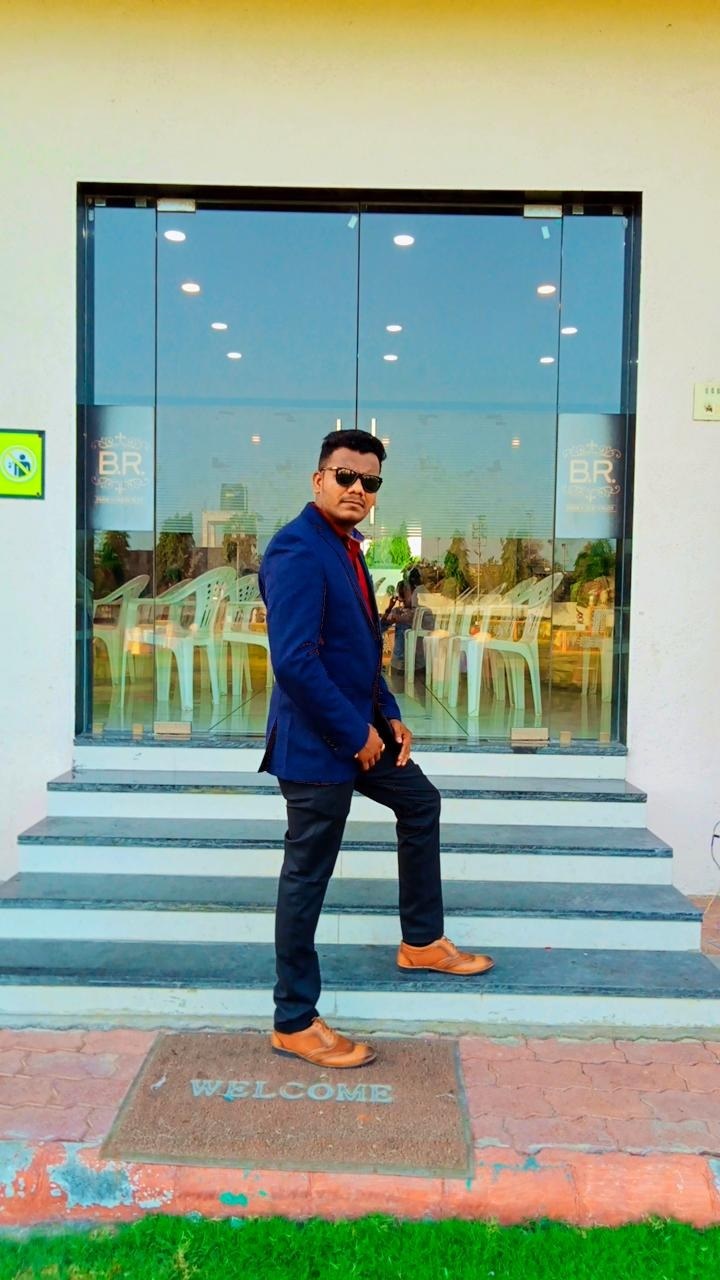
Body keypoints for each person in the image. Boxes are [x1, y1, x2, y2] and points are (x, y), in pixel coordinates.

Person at [258, 429, 494, 1070]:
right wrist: (355, 731)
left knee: (420, 803)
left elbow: (358, 650)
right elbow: (296, 662)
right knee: (307, 876)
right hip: (317, 745)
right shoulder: (297, 548)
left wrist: (387, 716)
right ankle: (293, 1019)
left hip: (359, 735)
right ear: (318, 480)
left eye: (370, 481)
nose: (358, 489)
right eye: (345, 476)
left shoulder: (348, 549)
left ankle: (421, 941)